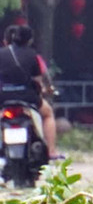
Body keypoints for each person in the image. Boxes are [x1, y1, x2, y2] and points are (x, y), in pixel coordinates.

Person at [0, 25, 57, 156]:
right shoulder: (33, 55)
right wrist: (45, 90)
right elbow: (38, 80)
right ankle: (52, 151)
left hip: (3, 97)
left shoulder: (1, 54)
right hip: (27, 97)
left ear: (6, 40)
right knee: (48, 114)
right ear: (30, 40)